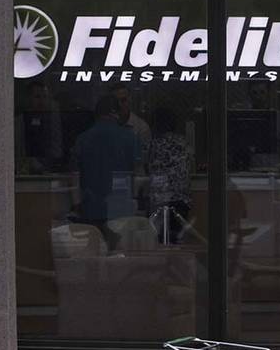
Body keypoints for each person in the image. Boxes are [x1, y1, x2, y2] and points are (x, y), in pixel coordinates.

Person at [72, 93, 141, 250]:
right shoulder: (131, 137)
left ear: (97, 114)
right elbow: (137, 173)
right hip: (121, 206)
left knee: (94, 253)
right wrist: (136, 200)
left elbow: (75, 176)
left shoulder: (82, 138)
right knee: (120, 253)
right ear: (115, 113)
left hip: (91, 206)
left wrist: (76, 204)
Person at [146, 106, 192, 244]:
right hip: (181, 198)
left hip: (159, 198)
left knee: (157, 239)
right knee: (176, 240)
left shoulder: (153, 144)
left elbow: (145, 167)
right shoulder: (183, 143)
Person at [16, 81, 63, 174]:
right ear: (29, 98)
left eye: (45, 97)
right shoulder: (19, 122)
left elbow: (57, 147)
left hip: (52, 171)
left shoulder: (54, 122)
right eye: (37, 97)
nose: (42, 101)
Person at [110, 83, 152, 166]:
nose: (119, 105)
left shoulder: (141, 127)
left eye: (123, 100)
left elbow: (144, 159)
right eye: (115, 101)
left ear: (130, 100)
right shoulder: (106, 124)